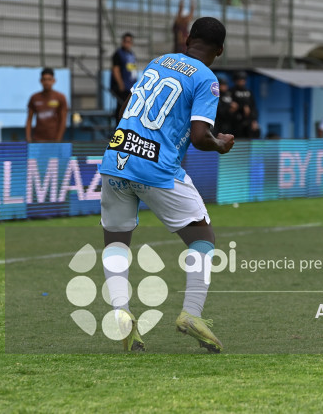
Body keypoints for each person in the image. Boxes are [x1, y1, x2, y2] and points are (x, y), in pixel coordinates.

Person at [98, 17, 234, 353]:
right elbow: (201, 137)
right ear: (219, 50)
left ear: (188, 39)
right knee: (202, 236)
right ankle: (191, 314)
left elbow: (126, 106)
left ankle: (122, 314)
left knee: (117, 241)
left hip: (116, 157)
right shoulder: (207, 78)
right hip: (156, 167)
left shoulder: (159, 62)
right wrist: (221, 144)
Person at [25, 67, 68, 142]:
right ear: (41, 81)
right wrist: (28, 137)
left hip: (54, 140)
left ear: (54, 81)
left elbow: (63, 120)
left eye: (49, 79)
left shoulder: (60, 97)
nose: (47, 82)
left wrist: (58, 139)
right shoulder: (34, 98)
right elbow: (29, 119)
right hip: (38, 139)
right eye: (44, 79)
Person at [110, 32, 138, 117]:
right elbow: (116, 69)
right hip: (123, 87)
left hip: (130, 87)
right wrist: (120, 84)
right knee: (121, 108)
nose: (127, 43)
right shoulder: (118, 54)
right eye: (125, 41)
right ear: (122, 42)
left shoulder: (132, 54)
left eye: (129, 41)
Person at [230, 71, 260, 138]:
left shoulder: (248, 92)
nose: (242, 82)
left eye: (243, 80)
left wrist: (254, 120)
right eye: (240, 80)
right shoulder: (231, 92)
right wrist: (240, 108)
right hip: (235, 122)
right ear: (235, 81)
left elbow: (253, 106)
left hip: (248, 121)